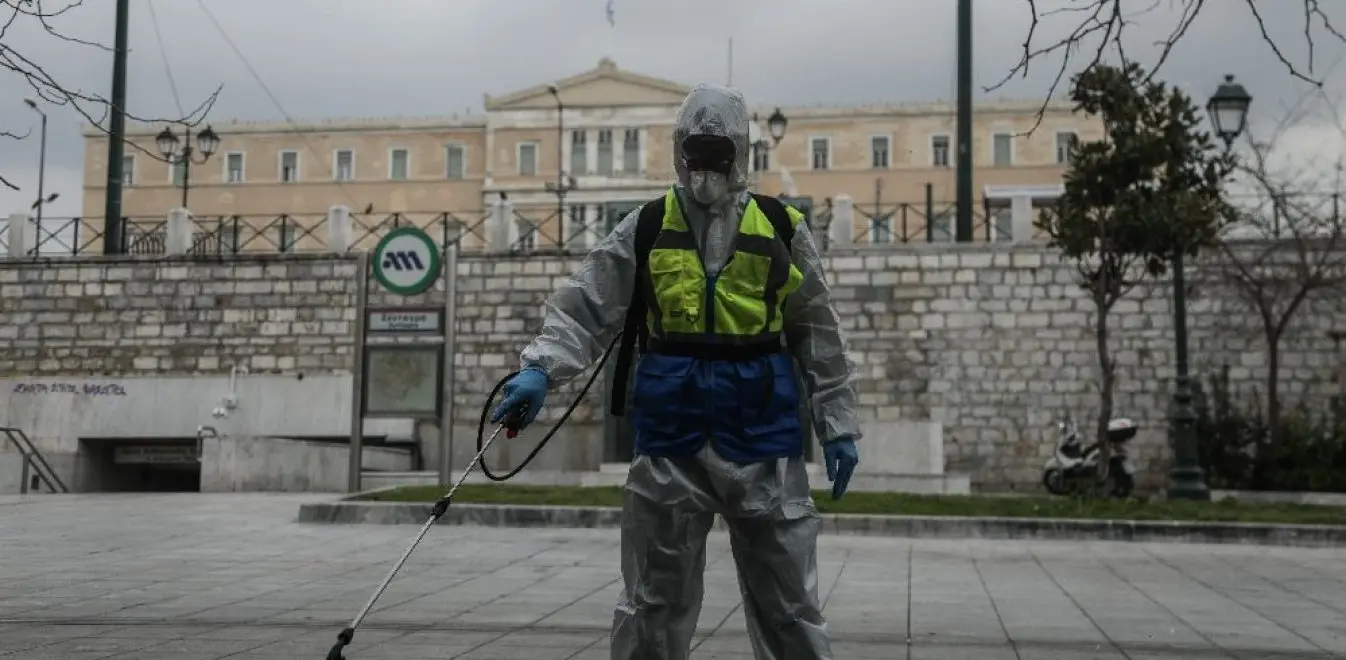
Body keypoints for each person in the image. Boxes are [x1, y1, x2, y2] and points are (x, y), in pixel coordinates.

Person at [491, 83, 861, 660]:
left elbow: (818, 331)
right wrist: (541, 369)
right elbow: (586, 307)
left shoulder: (780, 228)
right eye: (697, 151)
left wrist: (837, 421)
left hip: (760, 435)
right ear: (678, 149)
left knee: (789, 604)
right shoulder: (645, 227)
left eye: (718, 153)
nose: (706, 166)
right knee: (652, 602)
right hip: (672, 436)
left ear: (740, 153)